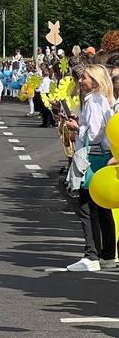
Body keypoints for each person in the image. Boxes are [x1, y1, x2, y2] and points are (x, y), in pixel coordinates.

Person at [65, 64, 116, 272]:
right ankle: (108, 254)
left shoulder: (94, 101)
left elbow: (93, 134)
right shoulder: (104, 99)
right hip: (103, 156)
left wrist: (77, 127)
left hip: (92, 158)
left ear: (94, 81)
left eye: (84, 77)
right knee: (103, 208)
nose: (80, 80)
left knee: (86, 208)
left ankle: (91, 256)